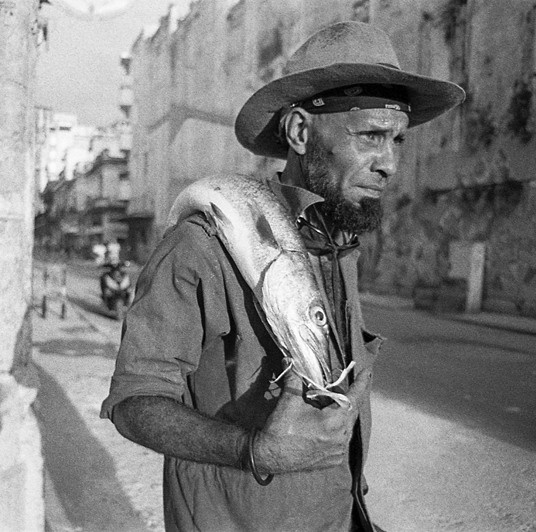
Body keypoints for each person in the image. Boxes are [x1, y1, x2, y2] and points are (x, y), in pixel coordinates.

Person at [101, 21, 464, 531]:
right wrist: (256, 451)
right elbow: (132, 403)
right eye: (370, 137)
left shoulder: (336, 243)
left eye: (398, 140)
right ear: (299, 132)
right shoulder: (205, 246)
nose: (389, 164)